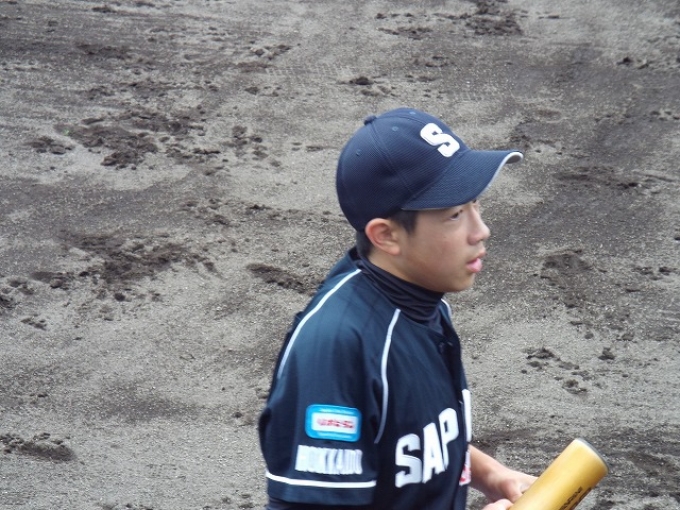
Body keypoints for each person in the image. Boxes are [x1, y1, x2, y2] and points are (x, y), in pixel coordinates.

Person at [258, 107, 536, 510]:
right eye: (455, 214)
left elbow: (413, 441)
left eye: (476, 204)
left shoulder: (422, 298)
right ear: (386, 236)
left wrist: (493, 475)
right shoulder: (337, 349)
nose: (481, 231)